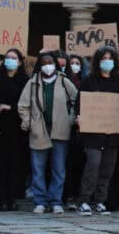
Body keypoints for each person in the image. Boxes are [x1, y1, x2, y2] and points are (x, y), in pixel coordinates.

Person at [19, 52, 78, 214]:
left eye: (50, 62)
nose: (47, 65)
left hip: (60, 130)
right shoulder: (32, 83)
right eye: (44, 62)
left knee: (58, 168)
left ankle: (56, 201)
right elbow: (23, 105)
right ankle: (40, 201)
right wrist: (28, 122)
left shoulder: (64, 81)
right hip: (38, 130)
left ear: (55, 64)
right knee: (38, 168)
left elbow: (77, 101)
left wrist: (71, 119)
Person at [76, 46, 119, 216]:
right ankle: (84, 200)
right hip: (93, 133)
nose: (107, 61)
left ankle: (100, 201)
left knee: (107, 168)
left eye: (110, 58)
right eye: (104, 58)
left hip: (114, 133)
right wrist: (79, 117)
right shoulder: (89, 80)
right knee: (93, 164)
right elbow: (80, 102)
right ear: (98, 61)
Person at [0, 48, 29, 212]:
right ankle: (2, 198)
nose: (10, 60)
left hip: (18, 128)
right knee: (0, 164)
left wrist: (11, 107)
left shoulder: (24, 80)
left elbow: (27, 103)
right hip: (0, 127)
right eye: (8, 58)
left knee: (16, 164)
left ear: (19, 61)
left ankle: (12, 198)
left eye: (14, 58)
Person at [63, 54, 85, 209]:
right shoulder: (63, 81)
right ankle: (68, 194)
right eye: (73, 63)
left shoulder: (85, 81)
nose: (75, 65)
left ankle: (77, 193)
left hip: (82, 129)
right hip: (66, 126)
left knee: (80, 162)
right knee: (67, 163)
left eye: (78, 63)